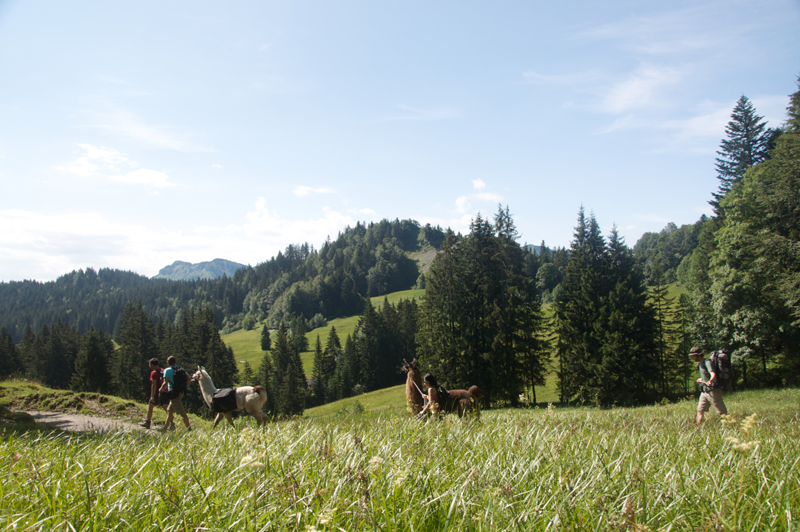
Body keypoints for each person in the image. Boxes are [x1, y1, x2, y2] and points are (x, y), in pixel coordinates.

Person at [689, 346, 728, 424]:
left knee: (722, 412)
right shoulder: (700, 364)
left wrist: (710, 381)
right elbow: (706, 376)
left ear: (698, 355)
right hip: (705, 391)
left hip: (713, 391)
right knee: (700, 410)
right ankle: (698, 426)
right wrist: (701, 379)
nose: (692, 358)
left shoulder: (707, 362)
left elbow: (713, 375)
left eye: (693, 356)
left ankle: (729, 424)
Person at [160, 356, 191, 432]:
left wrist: (161, 389)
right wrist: (181, 386)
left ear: (167, 362)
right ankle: (164, 428)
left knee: (182, 413)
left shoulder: (167, 370)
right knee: (169, 411)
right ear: (175, 362)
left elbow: (165, 383)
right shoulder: (180, 369)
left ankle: (189, 430)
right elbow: (189, 379)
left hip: (173, 394)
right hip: (180, 392)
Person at [139, 358, 169, 429]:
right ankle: (171, 424)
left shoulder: (154, 372)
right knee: (166, 408)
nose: (149, 366)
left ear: (152, 364)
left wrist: (152, 395)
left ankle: (147, 422)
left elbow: (154, 384)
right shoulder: (163, 370)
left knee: (150, 406)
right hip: (165, 391)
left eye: (149, 364)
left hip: (157, 392)